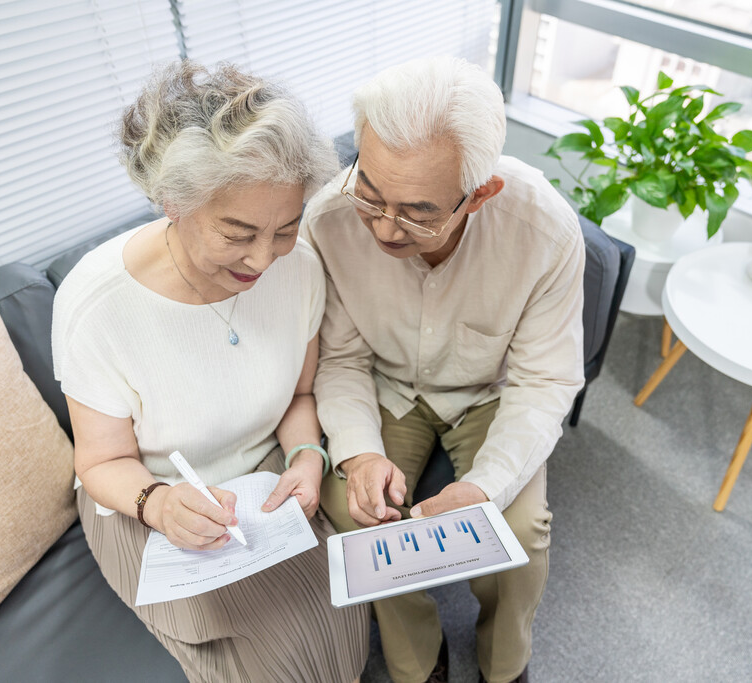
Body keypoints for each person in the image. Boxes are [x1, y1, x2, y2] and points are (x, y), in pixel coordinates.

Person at [51, 61, 369, 683]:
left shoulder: (299, 267)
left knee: (340, 631)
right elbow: (100, 465)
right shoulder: (98, 305)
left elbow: (301, 393)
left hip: (263, 484)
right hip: (146, 495)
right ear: (173, 202)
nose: (263, 258)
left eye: (284, 228)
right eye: (238, 233)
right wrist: (161, 505)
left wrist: (308, 456)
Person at [302, 57, 586, 683]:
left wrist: (485, 488)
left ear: (481, 193)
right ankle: (417, 662)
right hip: (385, 385)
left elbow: (546, 381)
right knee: (354, 515)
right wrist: (357, 455)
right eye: (370, 193)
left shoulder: (546, 233)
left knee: (518, 531)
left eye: (417, 212)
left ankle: (503, 666)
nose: (381, 227)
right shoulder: (326, 221)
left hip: (491, 394)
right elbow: (343, 359)